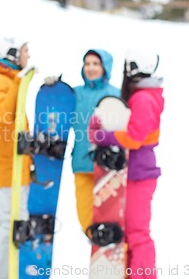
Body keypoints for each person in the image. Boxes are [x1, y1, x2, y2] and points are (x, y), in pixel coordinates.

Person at [88, 48, 164, 279]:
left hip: (140, 175)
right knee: (130, 234)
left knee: (137, 233)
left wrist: (103, 136)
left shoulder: (143, 98)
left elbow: (133, 136)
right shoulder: (144, 95)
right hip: (133, 174)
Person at [44, 49, 119, 234]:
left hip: (108, 167)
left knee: (108, 214)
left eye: (96, 64)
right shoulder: (74, 94)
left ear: (105, 67)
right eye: (87, 64)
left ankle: (109, 246)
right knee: (85, 216)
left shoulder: (116, 94)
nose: (91, 68)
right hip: (82, 163)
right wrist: (53, 89)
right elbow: (55, 114)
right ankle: (94, 240)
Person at [0, 36, 33, 279]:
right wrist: (21, 81)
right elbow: (4, 114)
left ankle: (10, 272)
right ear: (11, 54)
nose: (28, 56)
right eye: (24, 51)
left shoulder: (5, 80)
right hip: (5, 167)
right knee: (7, 224)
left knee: (14, 223)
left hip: (14, 164)